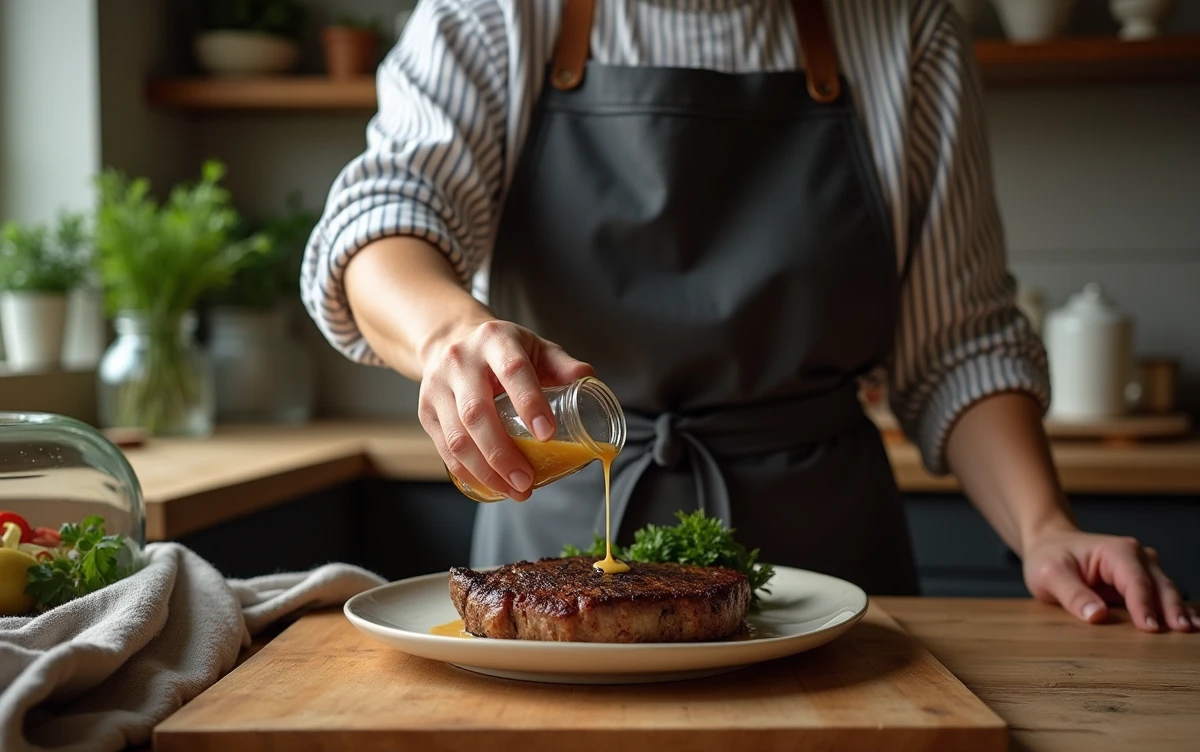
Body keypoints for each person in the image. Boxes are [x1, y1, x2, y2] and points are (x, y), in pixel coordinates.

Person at [301, 0, 1194, 632]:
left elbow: (957, 341)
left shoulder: (903, 26)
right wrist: (448, 335)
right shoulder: (494, 14)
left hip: (830, 563)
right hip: (552, 540)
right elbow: (380, 221)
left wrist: (1045, 529)